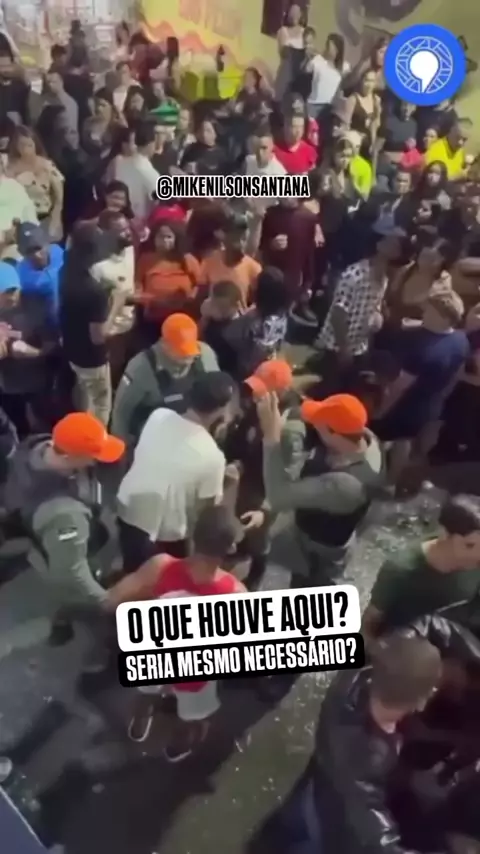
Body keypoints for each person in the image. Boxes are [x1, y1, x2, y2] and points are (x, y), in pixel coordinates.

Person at [307, 614, 480, 854]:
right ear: (421, 702)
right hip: (338, 801)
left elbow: (432, 625)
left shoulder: (389, 657)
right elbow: (380, 841)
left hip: (350, 763)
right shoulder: (361, 758)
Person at [108, 504, 245, 757]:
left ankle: (140, 723)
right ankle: (178, 746)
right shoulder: (235, 593)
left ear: (194, 534)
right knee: (193, 718)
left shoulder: (160, 566)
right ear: (230, 549)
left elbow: (113, 600)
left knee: (146, 692)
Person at [3, 411, 124, 664]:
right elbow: (70, 571)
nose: (96, 461)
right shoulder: (64, 513)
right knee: (74, 593)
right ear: (70, 457)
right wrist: (103, 598)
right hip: (59, 552)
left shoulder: (36, 446)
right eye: (93, 455)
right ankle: (64, 627)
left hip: (37, 532)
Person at [256, 392, 384, 586]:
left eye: (319, 424)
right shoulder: (367, 438)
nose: (314, 425)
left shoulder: (345, 485)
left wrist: (271, 438)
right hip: (332, 530)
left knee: (306, 588)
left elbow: (278, 496)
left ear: (333, 433)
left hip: (320, 549)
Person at [116, 371, 235, 572]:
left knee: (132, 570)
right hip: (164, 537)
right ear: (221, 411)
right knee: (160, 582)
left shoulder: (158, 416)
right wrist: (228, 484)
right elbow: (205, 516)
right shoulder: (213, 457)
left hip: (128, 510)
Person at [363, 495, 480, 645]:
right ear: (444, 534)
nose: (478, 555)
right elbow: (372, 619)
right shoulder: (401, 569)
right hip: (404, 641)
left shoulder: (474, 562)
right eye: (470, 545)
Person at [111, 313, 219, 446]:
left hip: (190, 436)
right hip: (151, 438)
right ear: (164, 344)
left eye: (190, 354)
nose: (187, 360)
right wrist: (120, 447)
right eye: (181, 353)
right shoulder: (141, 368)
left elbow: (218, 398)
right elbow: (121, 413)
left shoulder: (205, 356)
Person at [59, 224, 126, 426]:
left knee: (84, 393)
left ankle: (81, 424)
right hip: (92, 359)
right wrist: (117, 303)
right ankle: (95, 439)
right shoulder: (93, 292)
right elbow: (98, 336)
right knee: (101, 404)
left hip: (72, 349)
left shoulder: (65, 270)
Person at [16, 222, 64, 322]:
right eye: (29, 251)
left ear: (46, 244)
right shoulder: (20, 275)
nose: (36, 255)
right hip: (46, 323)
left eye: (38, 248)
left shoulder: (61, 254)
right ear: (22, 253)